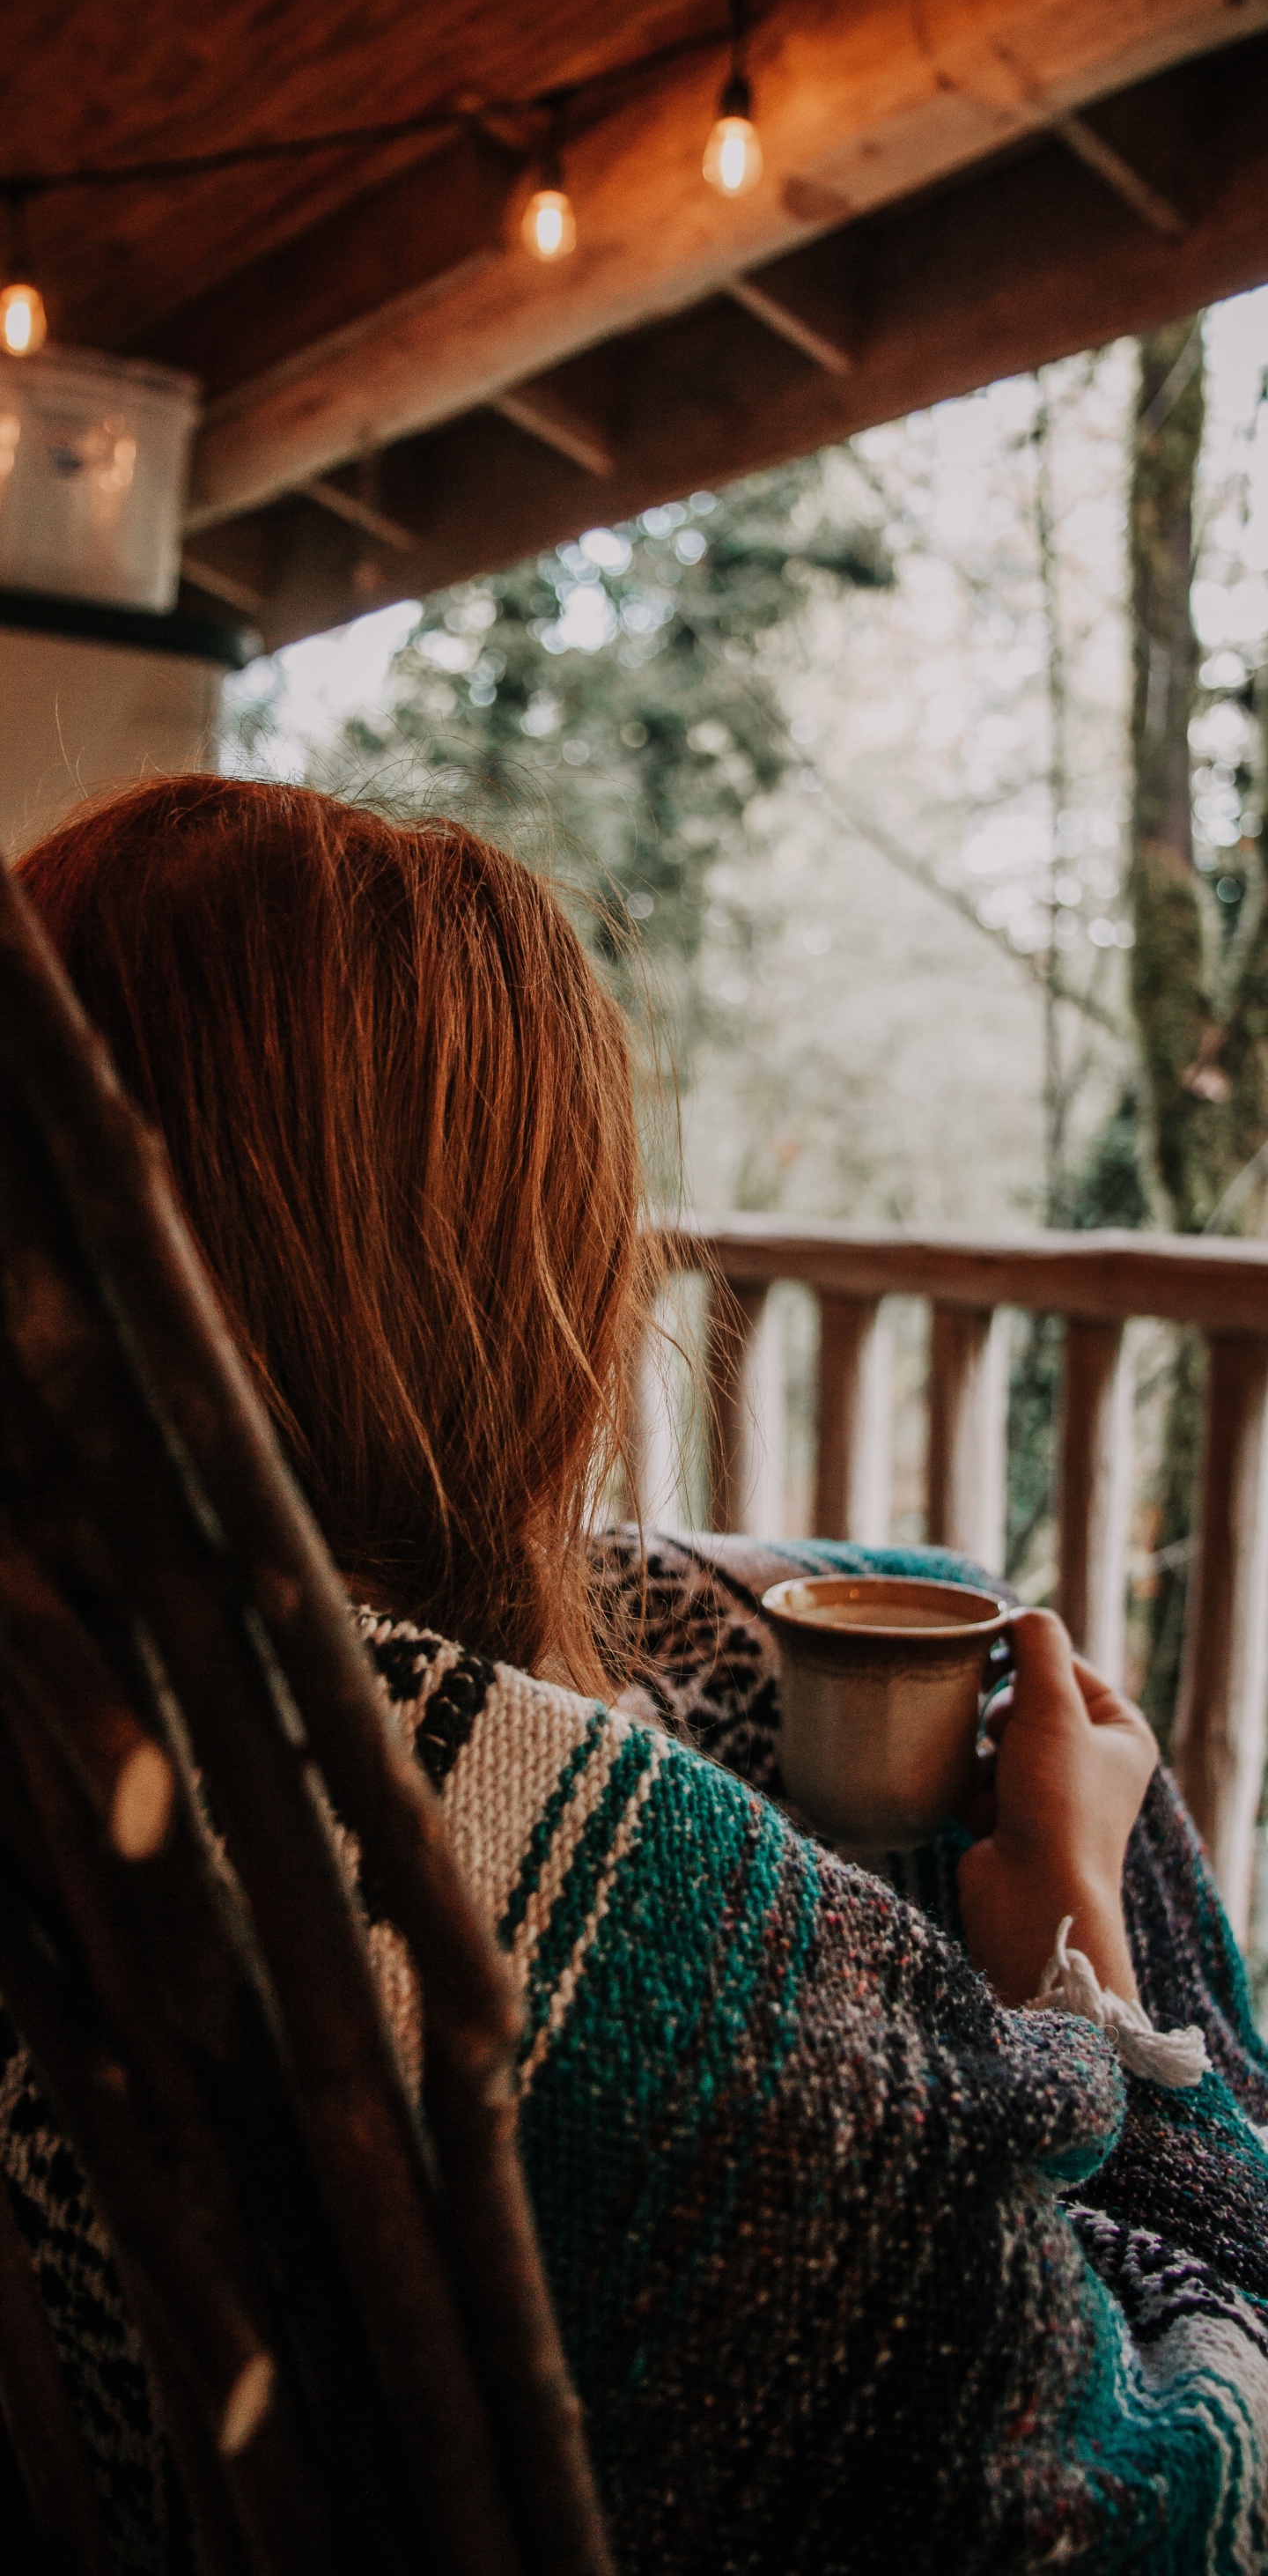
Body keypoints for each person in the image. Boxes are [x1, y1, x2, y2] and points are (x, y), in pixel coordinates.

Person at [11, 772, 1268, 2573]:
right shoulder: (655, 2010)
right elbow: (1183, 2504)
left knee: (927, 1596)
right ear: (484, 1301)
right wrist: (1090, 1964)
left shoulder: (86, 1694)